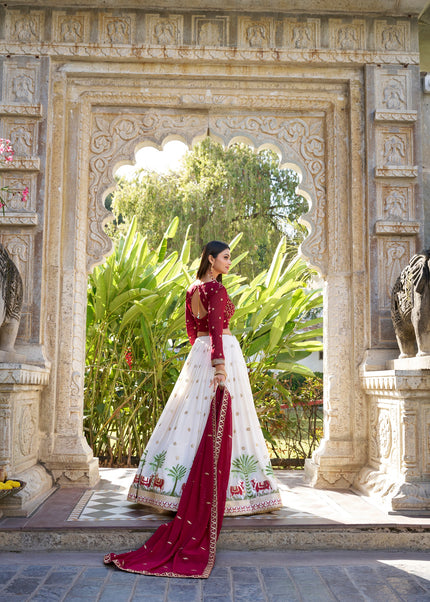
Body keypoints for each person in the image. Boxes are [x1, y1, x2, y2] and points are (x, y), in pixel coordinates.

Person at [105, 241, 282, 577]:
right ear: (211, 259)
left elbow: (192, 329)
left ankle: (166, 489)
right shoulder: (214, 288)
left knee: (190, 419)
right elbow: (216, 327)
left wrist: (200, 358)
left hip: (197, 353)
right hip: (219, 352)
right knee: (221, 419)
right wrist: (218, 363)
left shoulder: (192, 289)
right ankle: (237, 494)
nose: (229, 262)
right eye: (226, 257)